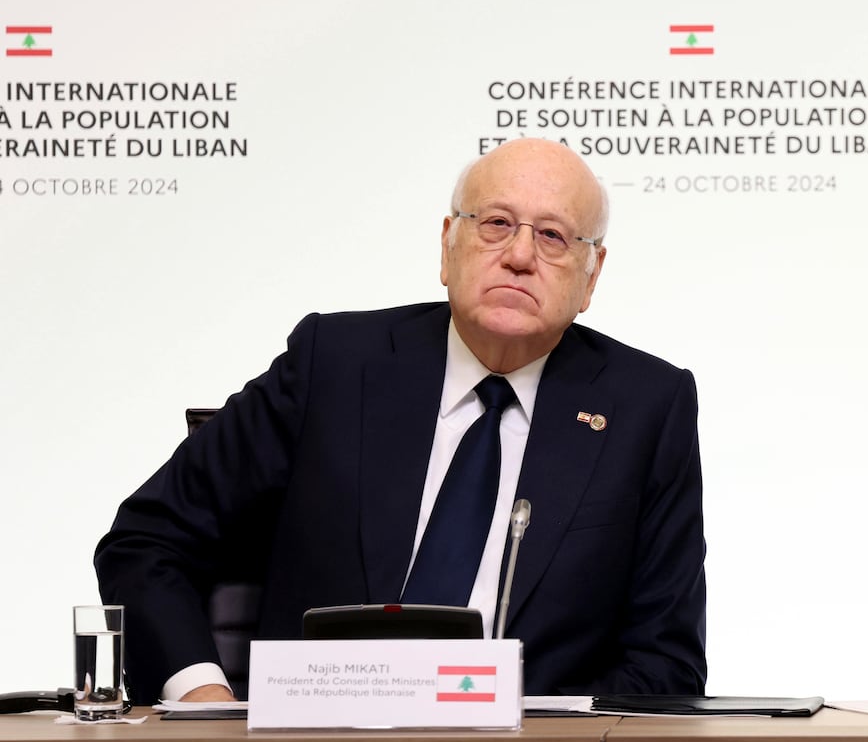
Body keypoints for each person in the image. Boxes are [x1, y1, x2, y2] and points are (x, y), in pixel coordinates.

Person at [96, 138, 707, 704]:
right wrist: (204, 701)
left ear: (591, 275)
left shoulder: (646, 409)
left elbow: (666, 662)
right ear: (448, 245)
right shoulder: (331, 365)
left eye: (552, 236)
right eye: (495, 224)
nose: (520, 255)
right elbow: (147, 540)